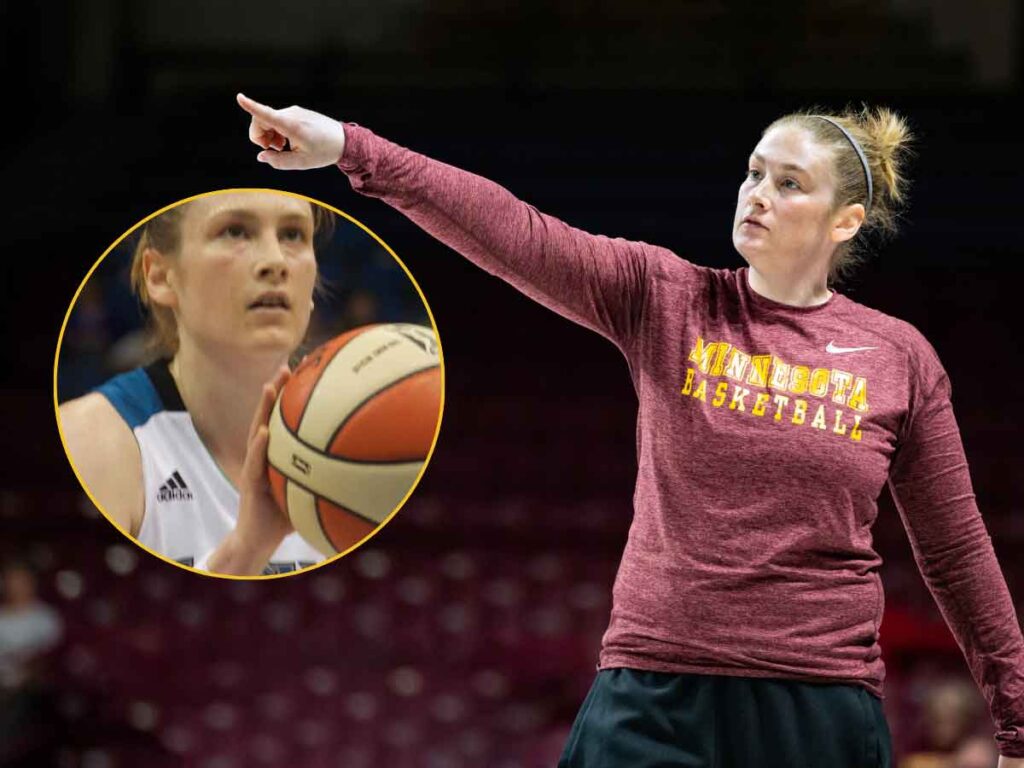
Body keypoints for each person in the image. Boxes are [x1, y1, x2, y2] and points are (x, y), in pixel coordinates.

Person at [235, 93, 1024, 765]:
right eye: (753, 172)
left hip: (815, 705)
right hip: (654, 692)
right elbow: (514, 230)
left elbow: (955, 551)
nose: (757, 194)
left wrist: (1017, 719)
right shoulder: (666, 298)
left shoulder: (898, 357)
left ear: (846, 221)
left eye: (789, 184)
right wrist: (349, 148)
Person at [59, 191, 330, 576]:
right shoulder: (93, 441)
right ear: (160, 276)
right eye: (235, 231)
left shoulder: (381, 438)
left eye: (292, 235)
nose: (275, 262)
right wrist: (247, 548)